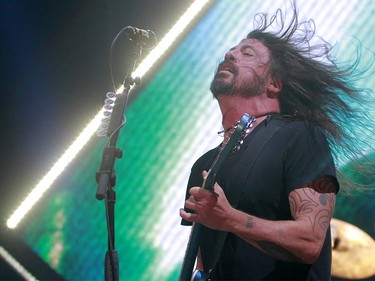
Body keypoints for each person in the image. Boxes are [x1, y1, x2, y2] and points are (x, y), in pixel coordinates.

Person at [179, 3, 373, 281]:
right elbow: (203, 261)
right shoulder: (204, 164)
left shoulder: (301, 136)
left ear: (274, 84)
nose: (230, 55)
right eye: (230, 51)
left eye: (246, 53)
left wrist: (230, 218)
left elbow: (310, 241)